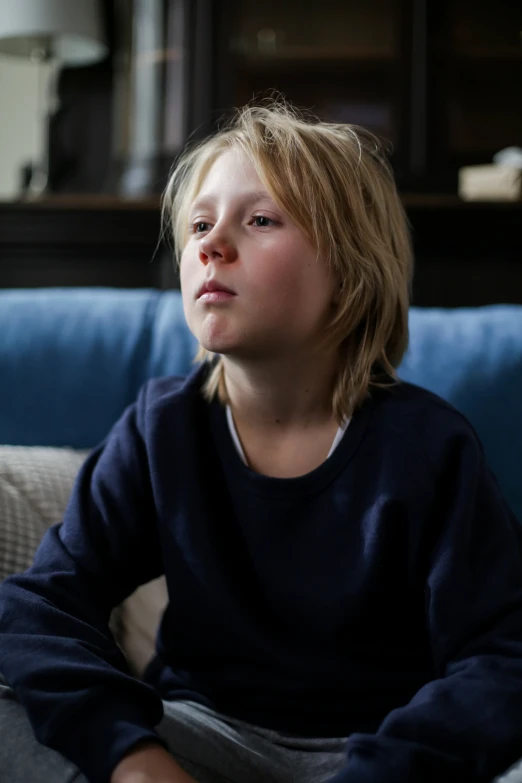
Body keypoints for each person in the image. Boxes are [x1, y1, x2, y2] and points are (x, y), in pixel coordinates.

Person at [1, 101, 522, 783]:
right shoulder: (162, 428)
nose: (212, 243)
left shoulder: (430, 447)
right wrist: (134, 759)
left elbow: (502, 656)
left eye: (260, 219)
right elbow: (38, 609)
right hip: (198, 740)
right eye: (199, 224)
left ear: (350, 271)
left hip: (381, 752)